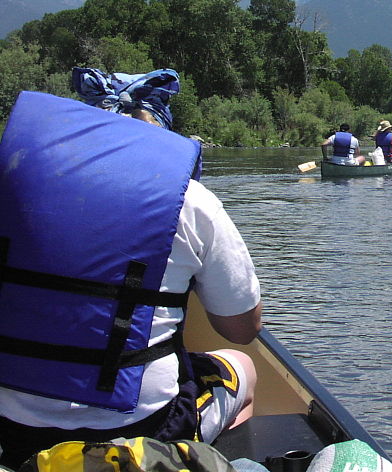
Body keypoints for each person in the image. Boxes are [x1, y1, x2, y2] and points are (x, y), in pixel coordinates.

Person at [0, 69, 263, 469]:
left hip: (13, 431)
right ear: (159, 129)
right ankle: (192, 461)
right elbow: (242, 330)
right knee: (242, 366)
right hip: (144, 429)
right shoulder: (192, 202)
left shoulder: (11, 183)